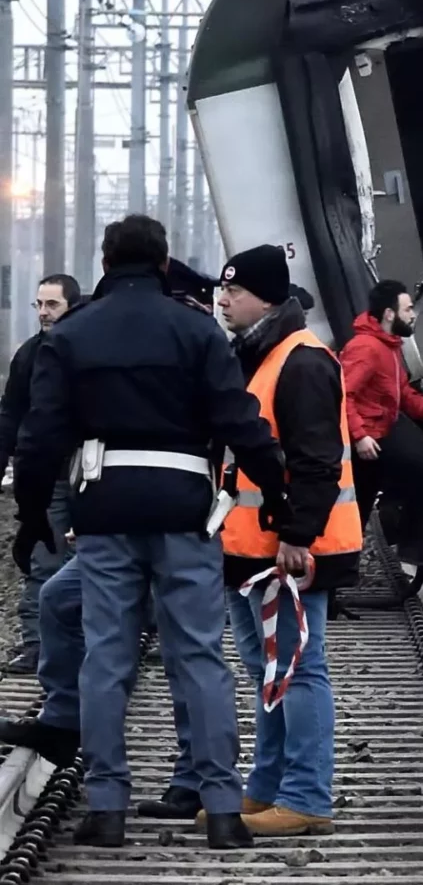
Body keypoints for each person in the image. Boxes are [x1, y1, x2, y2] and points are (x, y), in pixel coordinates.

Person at [11, 214, 280, 848]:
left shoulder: (72, 334)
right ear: (164, 264)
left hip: (104, 509)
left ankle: (106, 809)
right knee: (198, 655)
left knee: (107, 654)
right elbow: (240, 421)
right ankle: (220, 810)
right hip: (185, 507)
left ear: (105, 262)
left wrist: (28, 516)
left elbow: (41, 431)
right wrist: (281, 498)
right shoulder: (195, 329)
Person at [213, 245, 359, 837]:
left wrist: (299, 534)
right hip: (251, 546)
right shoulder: (264, 355)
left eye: (236, 292)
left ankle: (306, 796)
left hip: (288, 549)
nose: (224, 300)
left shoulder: (301, 361)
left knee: (298, 669)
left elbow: (317, 458)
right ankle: (267, 788)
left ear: (268, 298)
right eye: (224, 290)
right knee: (268, 670)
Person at [0, 274, 81, 673]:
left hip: (88, 473)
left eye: (52, 305)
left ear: (72, 305)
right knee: (44, 559)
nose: (44, 313)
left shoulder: (86, 349)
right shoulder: (29, 354)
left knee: (108, 558)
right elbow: (10, 413)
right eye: (39, 305)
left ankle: (118, 635)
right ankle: (36, 646)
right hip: (48, 475)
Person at [340, 279, 423, 532]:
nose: (412, 315)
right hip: (369, 440)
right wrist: (360, 436)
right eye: (408, 309)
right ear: (389, 314)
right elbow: (343, 394)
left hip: (379, 434)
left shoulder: (389, 346)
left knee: (365, 504)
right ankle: (403, 547)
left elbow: (402, 390)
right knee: (420, 469)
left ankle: (406, 551)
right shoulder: (366, 348)